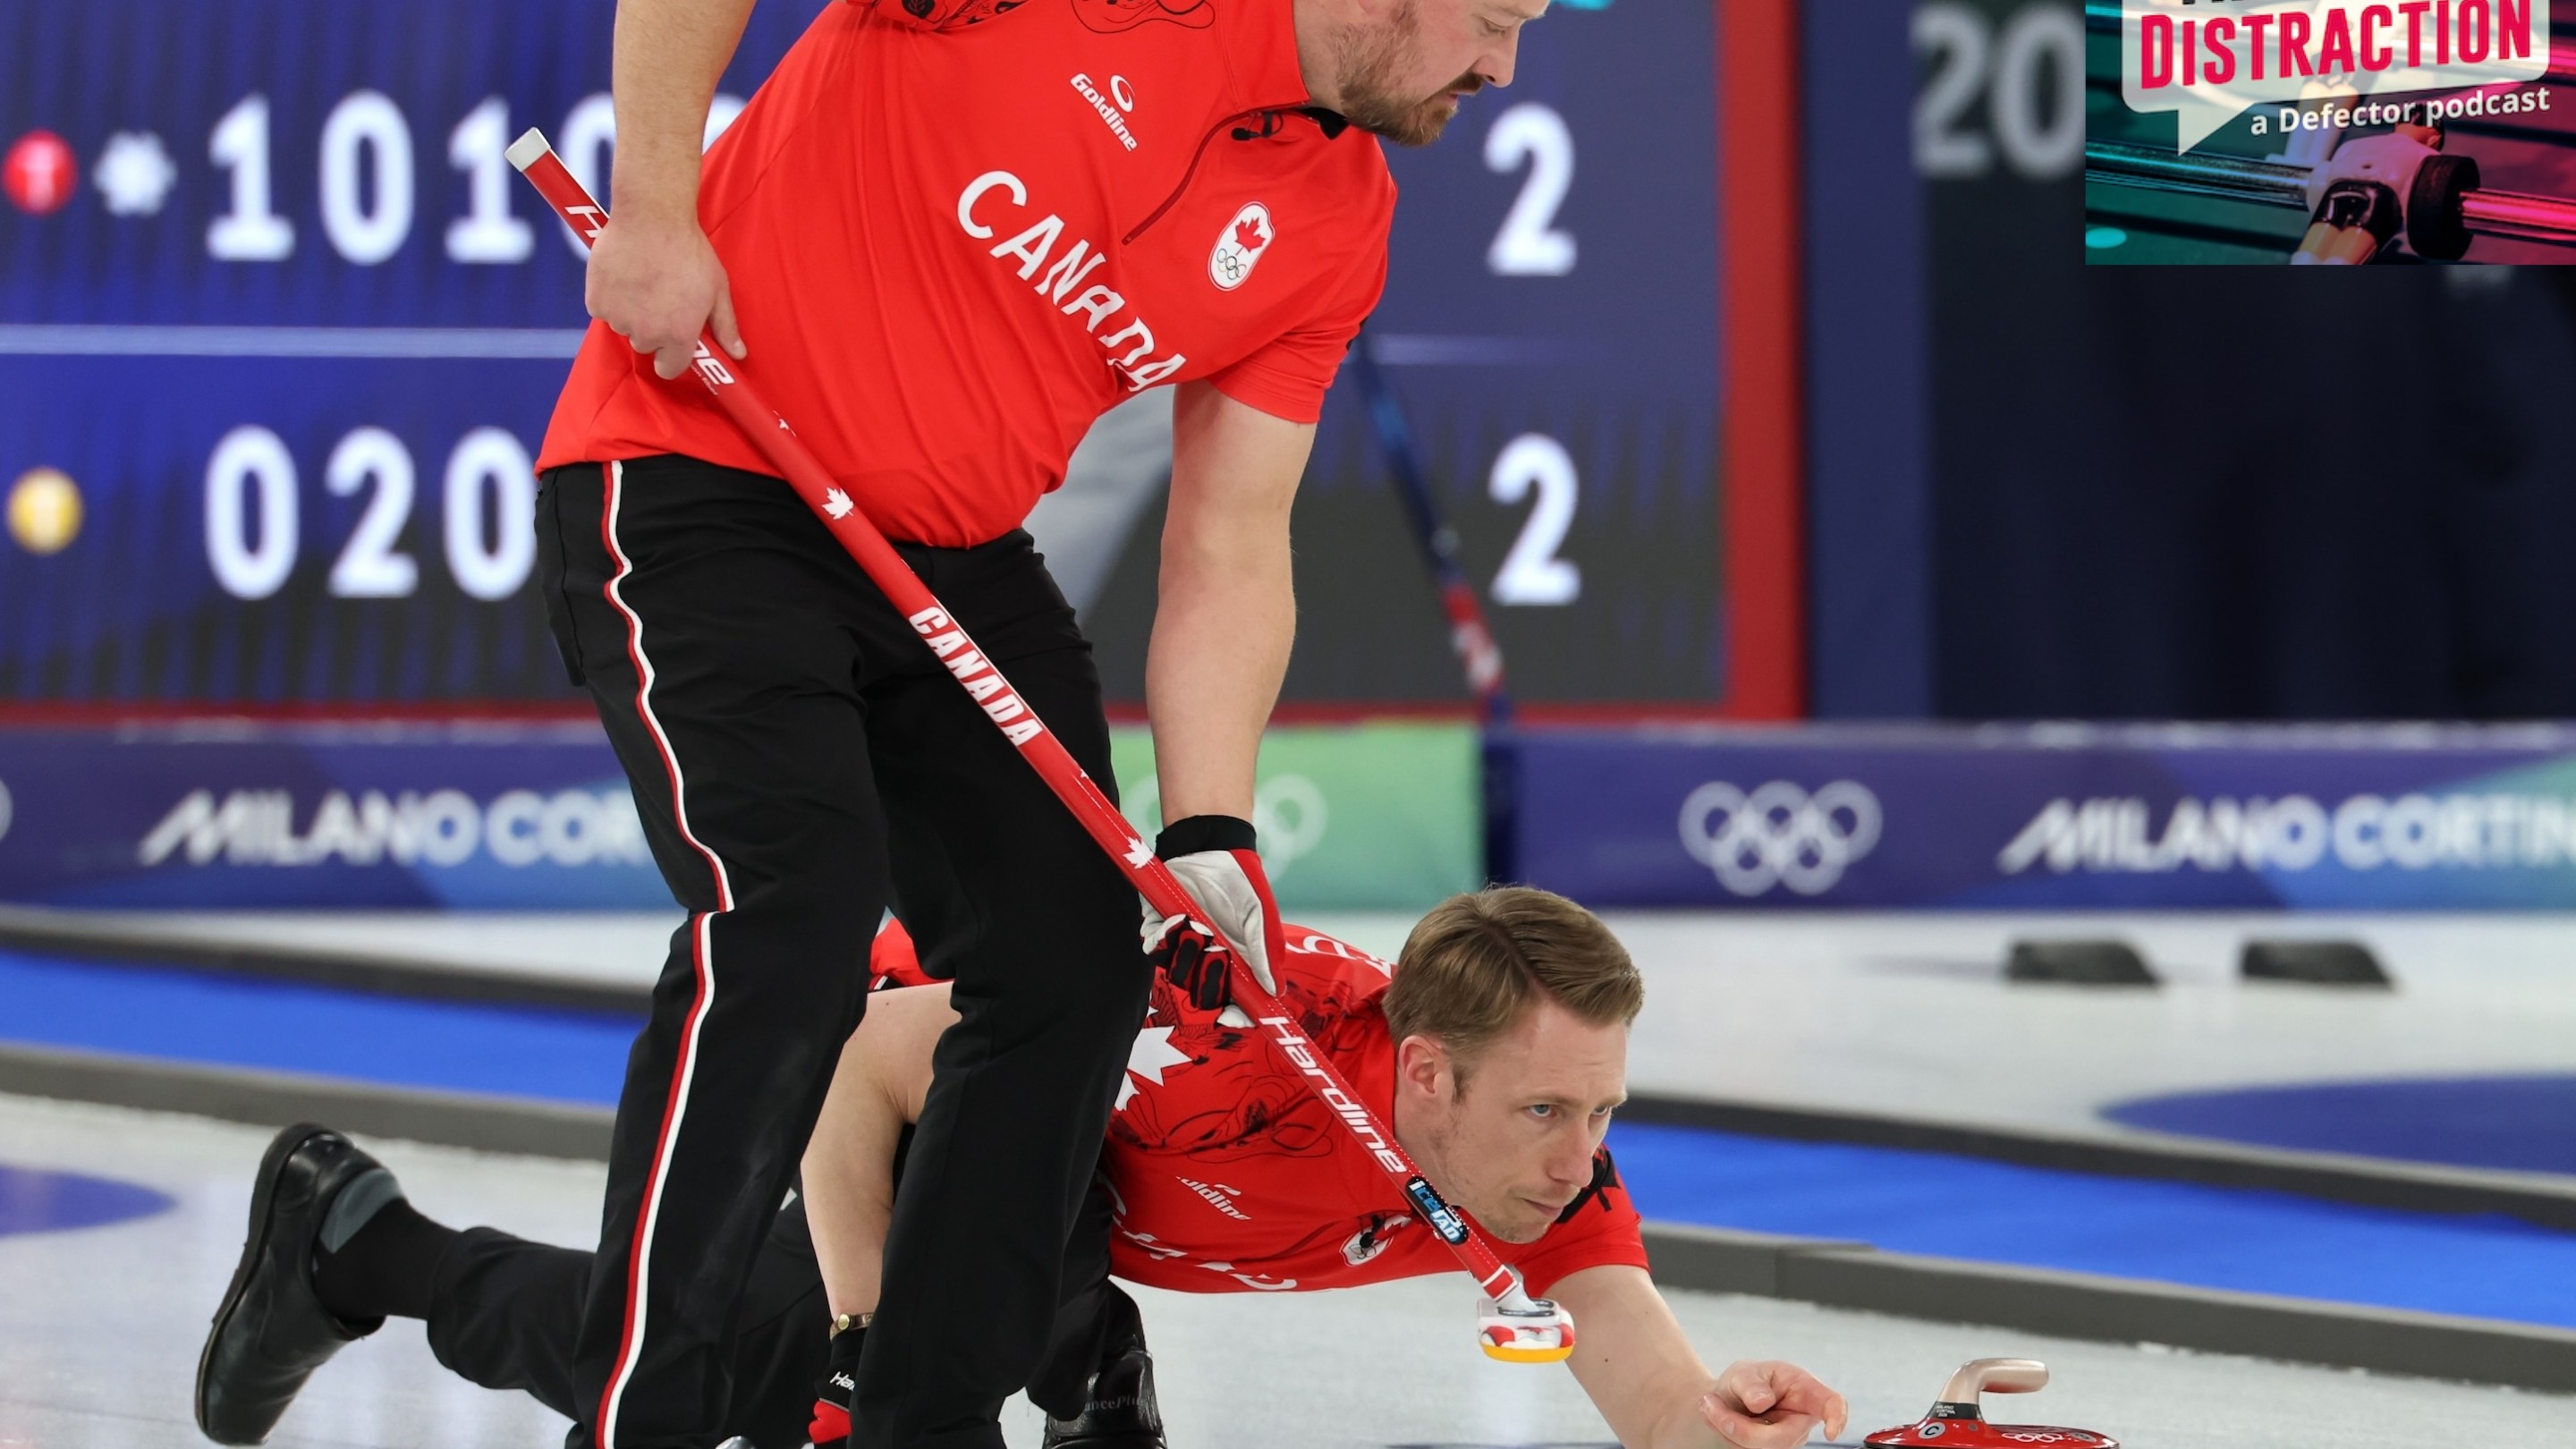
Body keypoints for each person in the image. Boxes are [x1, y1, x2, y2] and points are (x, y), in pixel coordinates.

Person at [190, 2, 1561, 1448]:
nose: (1503, 67)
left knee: (1074, 962)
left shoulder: (1335, 218)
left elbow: (1230, 542)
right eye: (1490, 19)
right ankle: (635, 1424)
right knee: (794, 915)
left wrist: (1210, 829)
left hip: (948, 559)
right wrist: (658, 206)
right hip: (702, 474)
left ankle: (923, 1424)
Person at [195, 889, 1850, 1449]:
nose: (1585, 1162)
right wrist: (867, 1352)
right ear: (1423, 1073)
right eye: (1549, 1115)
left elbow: (1649, 1398)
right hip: (885, 1061)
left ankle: (1075, 1339)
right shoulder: (1226, 1041)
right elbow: (874, 1064)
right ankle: (352, 1246)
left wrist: (1728, 1414)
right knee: (710, 1377)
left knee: (990, 1267)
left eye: (1606, 1112)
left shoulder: (1556, 1185)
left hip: (1056, 1203)